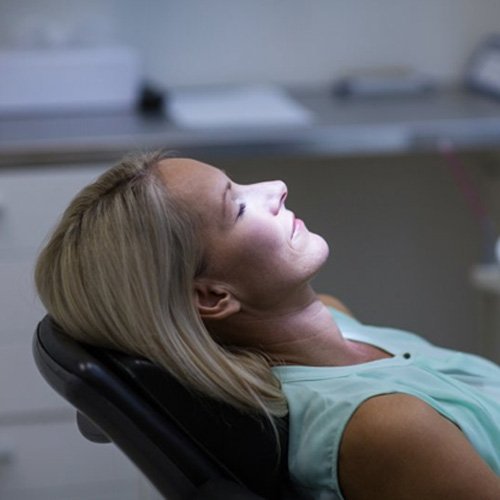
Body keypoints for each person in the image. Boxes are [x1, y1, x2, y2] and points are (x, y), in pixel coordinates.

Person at [35, 150, 500, 499]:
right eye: (237, 207)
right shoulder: (387, 428)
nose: (276, 186)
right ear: (213, 296)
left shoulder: (335, 321)